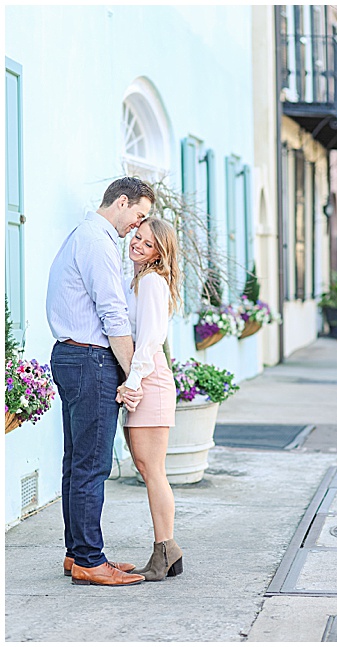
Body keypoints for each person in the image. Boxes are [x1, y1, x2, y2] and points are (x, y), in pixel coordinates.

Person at [47, 177, 154, 586]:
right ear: (121, 202)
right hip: (90, 360)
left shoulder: (84, 234)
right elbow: (113, 314)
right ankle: (91, 561)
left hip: (73, 356)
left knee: (77, 463)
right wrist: (133, 376)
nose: (138, 226)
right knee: (91, 466)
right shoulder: (97, 240)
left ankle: (77, 555)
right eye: (138, 215)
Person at [116, 217, 184, 581]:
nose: (138, 245)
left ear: (160, 252)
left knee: (153, 470)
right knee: (146, 467)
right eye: (136, 238)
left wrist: (133, 381)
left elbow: (151, 339)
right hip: (143, 379)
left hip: (150, 380)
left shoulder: (153, 282)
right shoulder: (139, 280)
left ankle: (165, 550)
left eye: (147, 243)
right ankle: (167, 551)